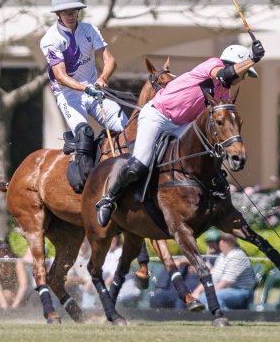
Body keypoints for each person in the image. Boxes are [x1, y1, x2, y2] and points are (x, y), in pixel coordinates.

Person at [95, 40, 264, 227]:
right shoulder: (214, 64)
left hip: (181, 124)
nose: (244, 77)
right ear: (234, 64)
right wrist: (253, 59)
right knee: (139, 164)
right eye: (244, 73)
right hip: (157, 115)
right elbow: (224, 74)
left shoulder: (223, 93)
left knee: (196, 156)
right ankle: (108, 198)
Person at [40, 0, 129, 193]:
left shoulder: (89, 30)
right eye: (66, 13)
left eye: (74, 12)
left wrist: (103, 78)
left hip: (94, 91)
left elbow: (109, 59)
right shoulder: (51, 39)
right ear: (58, 14)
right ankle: (83, 184)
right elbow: (61, 76)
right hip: (69, 96)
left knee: (124, 127)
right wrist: (85, 88)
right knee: (84, 134)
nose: (71, 16)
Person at [192, 233, 257, 310]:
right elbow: (211, 277)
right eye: (220, 240)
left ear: (231, 242)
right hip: (226, 290)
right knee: (202, 296)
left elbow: (225, 282)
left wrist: (209, 293)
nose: (220, 243)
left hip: (241, 292)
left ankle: (225, 318)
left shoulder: (237, 255)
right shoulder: (222, 256)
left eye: (223, 240)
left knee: (210, 297)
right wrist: (196, 292)